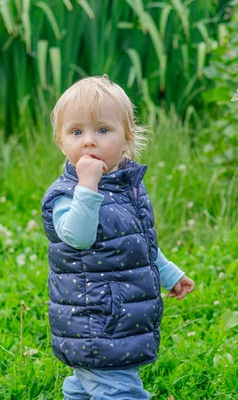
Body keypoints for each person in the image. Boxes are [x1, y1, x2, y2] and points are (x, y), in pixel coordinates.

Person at [41, 75, 195, 399]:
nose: (89, 141)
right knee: (119, 389)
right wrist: (87, 186)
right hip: (97, 320)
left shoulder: (127, 186)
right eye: (76, 132)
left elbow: (137, 244)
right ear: (61, 141)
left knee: (87, 384)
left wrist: (169, 274)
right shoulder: (68, 195)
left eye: (102, 130)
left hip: (114, 315)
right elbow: (78, 237)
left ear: (127, 137)